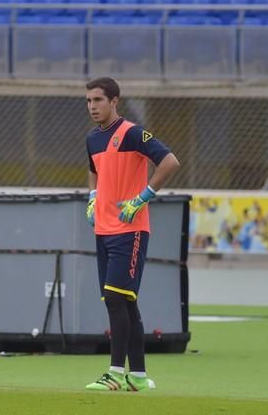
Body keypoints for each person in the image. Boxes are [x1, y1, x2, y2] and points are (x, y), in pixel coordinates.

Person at [83, 77, 180, 392]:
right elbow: (94, 171)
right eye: (88, 101)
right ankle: (137, 375)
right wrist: (92, 197)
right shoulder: (92, 139)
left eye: (98, 100)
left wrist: (144, 196)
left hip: (130, 229)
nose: (92, 106)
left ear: (114, 101)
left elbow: (169, 161)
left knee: (115, 299)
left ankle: (114, 373)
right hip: (104, 229)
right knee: (125, 302)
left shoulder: (132, 133)